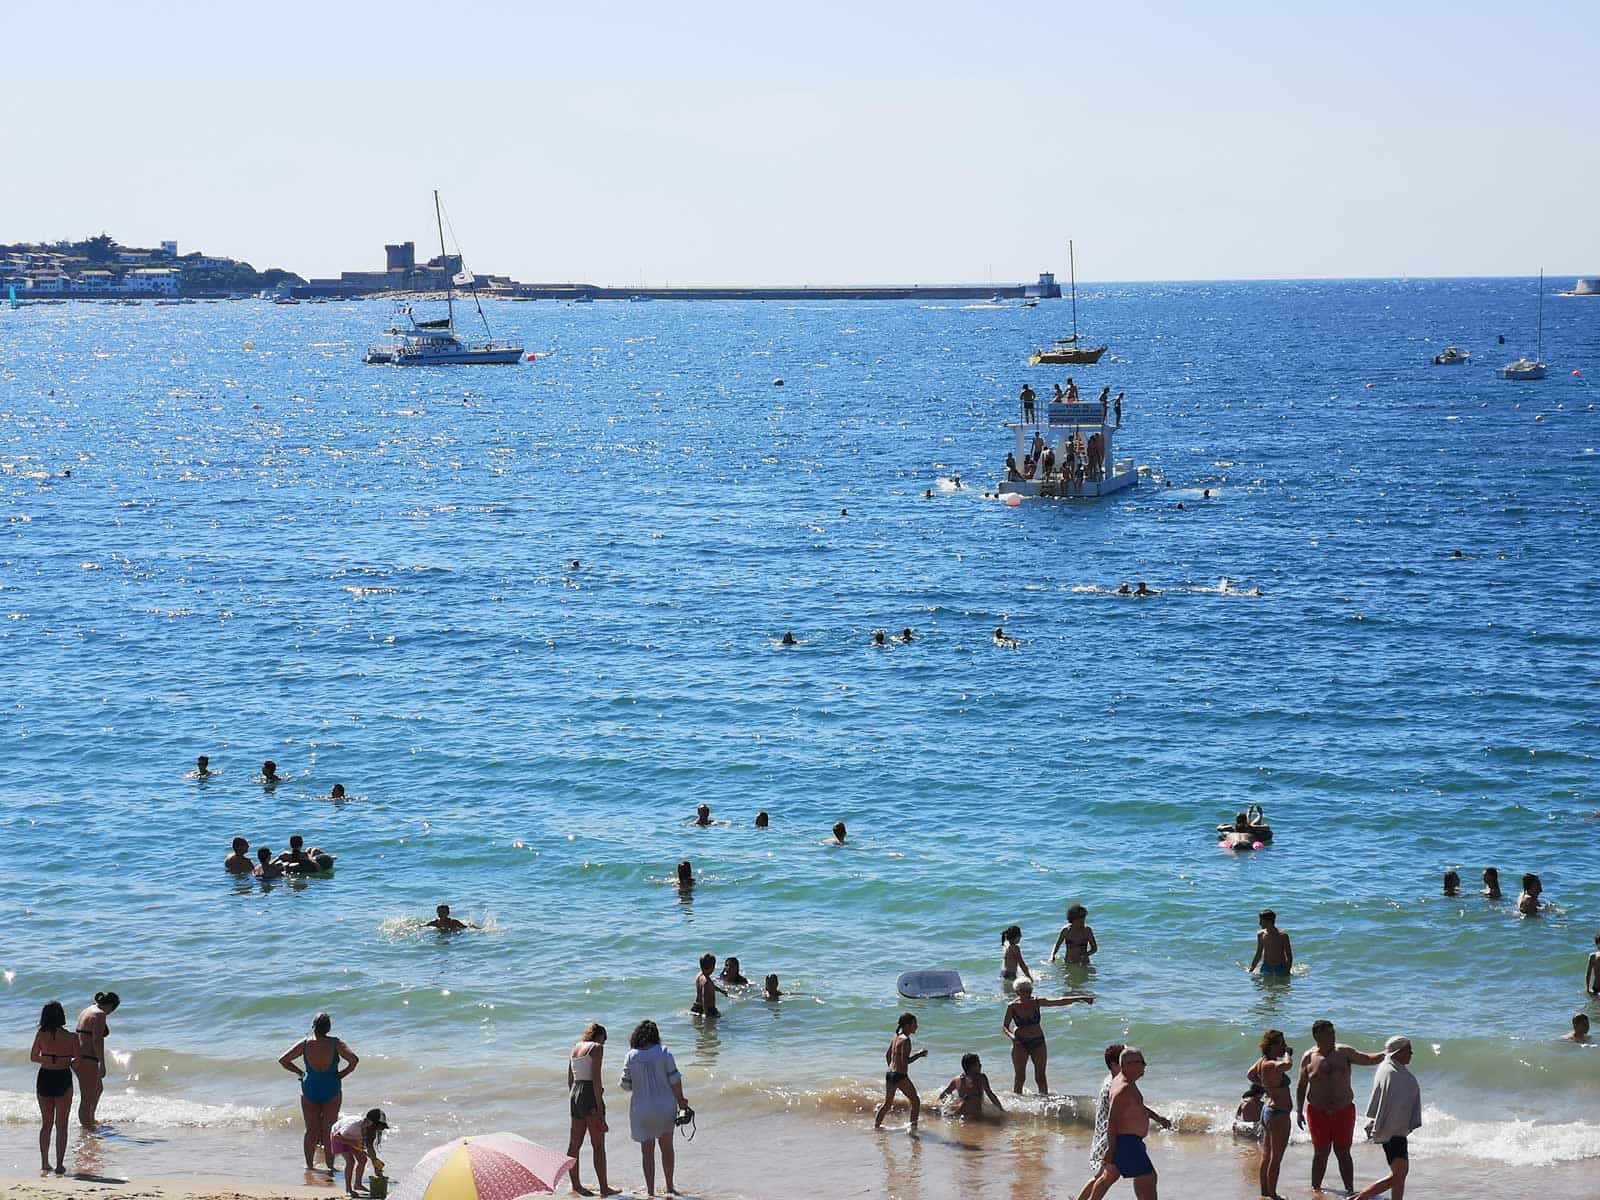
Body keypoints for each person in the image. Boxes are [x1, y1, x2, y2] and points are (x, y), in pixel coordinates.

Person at [1296, 1019, 1385, 1194]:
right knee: (1320, 1153)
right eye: (1329, 1033)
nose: (1333, 1036)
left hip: (1343, 1111)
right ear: (1317, 1036)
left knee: (1343, 1152)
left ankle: (1350, 1190)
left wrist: (1388, 1053)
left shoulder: (1344, 1053)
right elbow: (1301, 1085)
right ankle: (1316, 1189)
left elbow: (1367, 1059)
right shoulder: (1308, 1057)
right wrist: (1299, 1111)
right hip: (1317, 1112)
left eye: (1333, 1033)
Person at [279, 1012, 359, 1172]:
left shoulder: (305, 1043)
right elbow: (354, 1060)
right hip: (331, 1087)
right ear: (329, 1028)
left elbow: (283, 1060)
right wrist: (341, 1074)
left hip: (310, 1088)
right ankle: (330, 1166)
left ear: (313, 1027)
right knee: (330, 1129)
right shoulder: (336, 1043)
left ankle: (309, 1166)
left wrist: (301, 1073)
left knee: (311, 1130)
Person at [619, 1021, 689, 1198]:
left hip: (641, 1110)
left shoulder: (630, 1056)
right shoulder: (664, 1052)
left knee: (647, 1152)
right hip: (665, 1107)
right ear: (655, 1035)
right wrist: (682, 1101)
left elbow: (625, 1085)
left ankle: (650, 1191)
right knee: (667, 1148)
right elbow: (675, 1080)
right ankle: (670, 1187)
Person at [1352, 1037, 1422, 1200]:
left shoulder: (1392, 1069)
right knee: (1399, 1175)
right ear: (1399, 1052)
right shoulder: (1390, 1072)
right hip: (1392, 1130)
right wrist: (1385, 1127)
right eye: (1408, 1050)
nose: (1412, 1054)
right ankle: (1359, 1198)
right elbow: (1388, 1103)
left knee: (1400, 1174)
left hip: (1397, 1130)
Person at [1001, 979, 1095, 1094]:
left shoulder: (1037, 1002)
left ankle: (1044, 1101)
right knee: (1020, 1077)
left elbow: (1059, 1001)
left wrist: (1082, 998)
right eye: (1026, 991)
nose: (1029, 993)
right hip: (1020, 1043)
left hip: (1038, 1041)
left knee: (1040, 1076)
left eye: (1030, 990)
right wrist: (1012, 1038)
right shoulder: (1012, 1007)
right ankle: (1016, 1103)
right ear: (1018, 992)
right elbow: (1005, 1026)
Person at [1108, 1047, 1169, 1199]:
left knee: (1110, 1177)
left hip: (1132, 1141)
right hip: (1127, 1142)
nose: (1145, 1065)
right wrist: (1110, 1150)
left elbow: (1138, 1107)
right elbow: (1112, 1121)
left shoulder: (1128, 1083)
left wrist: (1157, 1118)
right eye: (1142, 1062)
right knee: (1148, 1178)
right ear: (1128, 1064)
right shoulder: (1123, 1089)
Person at [566, 1023, 619, 1197]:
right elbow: (596, 1080)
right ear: (599, 1036)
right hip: (589, 1093)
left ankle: (576, 1186)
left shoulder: (575, 1047)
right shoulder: (596, 1048)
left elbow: (570, 1080)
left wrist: (576, 1098)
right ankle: (604, 1189)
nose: (605, 1043)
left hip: (575, 1093)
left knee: (575, 1143)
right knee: (598, 1144)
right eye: (605, 1039)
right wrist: (600, 1111)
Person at [1073, 1042, 1127, 1200]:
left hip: (1106, 1136)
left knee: (1102, 1176)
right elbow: (1115, 1118)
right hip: (1108, 1137)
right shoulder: (1113, 1086)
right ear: (1114, 1065)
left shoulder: (1115, 1080)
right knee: (1106, 1176)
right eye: (1125, 1062)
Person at [32, 1001, 78, 1173]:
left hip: (44, 1077)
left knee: (46, 1124)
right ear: (62, 1016)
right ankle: (59, 1165)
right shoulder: (71, 1037)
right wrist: (62, 1060)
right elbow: (77, 1059)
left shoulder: (40, 1035)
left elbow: (33, 1057)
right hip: (62, 1077)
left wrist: (49, 1059)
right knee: (62, 1125)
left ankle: (45, 1163)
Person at [1248, 1029, 1294, 1200]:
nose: (1284, 1046)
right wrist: (1288, 1054)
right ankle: (1273, 1194)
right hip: (1278, 1114)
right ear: (1272, 1046)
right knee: (1275, 1157)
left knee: (1267, 1155)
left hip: (1269, 1111)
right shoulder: (1270, 1064)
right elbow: (1287, 1065)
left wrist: (1267, 1086)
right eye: (1281, 1043)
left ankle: (1265, 1192)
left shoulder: (1262, 1062)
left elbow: (1250, 1074)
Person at [72, 991, 119, 1129]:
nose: (112, 1012)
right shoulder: (99, 1014)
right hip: (87, 1058)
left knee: (97, 1088)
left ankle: (90, 1120)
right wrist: (102, 1064)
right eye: (113, 1009)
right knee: (88, 1096)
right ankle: (87, 1129)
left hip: (79, 1056)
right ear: (110, 1005)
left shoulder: (88, 1010)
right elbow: (97, 1040)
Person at [874, 1013, 926, 1129]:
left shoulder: (895, 1037)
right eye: (914, 1024)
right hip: (900, 1076)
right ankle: (913, 1128)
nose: (917, 1026)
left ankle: (876, 1126)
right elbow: (905, 1061)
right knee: (915, 1101)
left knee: (887, 1104)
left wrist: (892, 1068)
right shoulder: (906, 1040)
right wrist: (920, 1054)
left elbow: (887, 1055)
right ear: (907, 1025)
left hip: (890, 1074)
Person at [327, 1108, 387, 1197]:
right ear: (368, 1122)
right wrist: (352, 1143)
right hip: (338, 1135)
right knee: (350, 1161)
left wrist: (375, 1162)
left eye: (380, 1126)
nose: (377, 1128)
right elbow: (337, 1137)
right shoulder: (353, 1126)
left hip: (353, 1138)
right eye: (377, 1125)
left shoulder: (371, 1131)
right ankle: (348, 1189)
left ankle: (358, 1184)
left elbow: (369, 1147)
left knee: (363, 1160)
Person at [938, 1053, 1004, 1118]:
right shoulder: (981, 1077)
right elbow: (990, 1094)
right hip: (971, 1109)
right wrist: (1001, 1109)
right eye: (978, 1064)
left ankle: (951, 1114)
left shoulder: (957, 1079)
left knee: (967, 1101)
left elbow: (944, 1094)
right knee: (973, 1099)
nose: (981, 1065)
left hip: (961, 1109)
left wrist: (939, 1104)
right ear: (972, 1067)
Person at [1249, 910, 1293, 977]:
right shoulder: (1261, 935)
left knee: (1282, 987)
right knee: (1263, 987)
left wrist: (1287, 970)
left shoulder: (1283, 935)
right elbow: (1258, 953)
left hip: (1280, 967)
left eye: (1261, 921)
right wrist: (1252, 968)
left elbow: (1289, 955)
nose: (1259, 923)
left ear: (1268, 921)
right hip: (1266, 967)